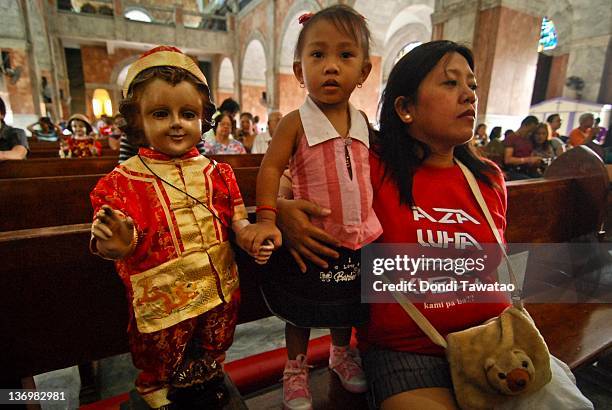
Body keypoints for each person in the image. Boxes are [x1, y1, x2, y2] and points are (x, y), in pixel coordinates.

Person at [275, 40, 511, 410]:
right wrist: (280, 208)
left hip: (495, 340)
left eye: (472, 85)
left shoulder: (488, 178)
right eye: (450, 84)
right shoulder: (372, 164)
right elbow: (297, 172)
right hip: (407, 352)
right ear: (404, 108)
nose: (469, 96)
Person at [89, 46, 272, 409]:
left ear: (202, 118)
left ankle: (208, 370)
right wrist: (118, 242)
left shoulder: (219, 174)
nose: (176, 122)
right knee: (161, 342)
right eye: (161, 113)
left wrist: (250, 236)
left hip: (218, 279)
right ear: (138, 121)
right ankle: (155, 388)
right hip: (163, 289)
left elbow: (238, 222)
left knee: (216, 333)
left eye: (187, 113)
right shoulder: (121, 181)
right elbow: (113, 240)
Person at [242, 6, 381, 409]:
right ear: (299, 71)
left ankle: (340, 354)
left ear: (364, 72)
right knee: (300, 309)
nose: (331, 67)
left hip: (355, 238)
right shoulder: (294, 122)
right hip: (310, 236)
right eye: (318, 55)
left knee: (345, 304)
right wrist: (269, 216)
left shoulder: (362, 122)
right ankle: (296, 368)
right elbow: (271, 168)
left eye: (345, 56)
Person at [503, 115, 541, 180]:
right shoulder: (511, 138)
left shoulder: (528, 140)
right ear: (524, 126)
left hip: (527, 170)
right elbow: (508, 160)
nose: (530, 133)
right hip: (513, 171)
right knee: (528, 181)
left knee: (542, 179)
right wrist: (527, 160)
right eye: (529, 131)